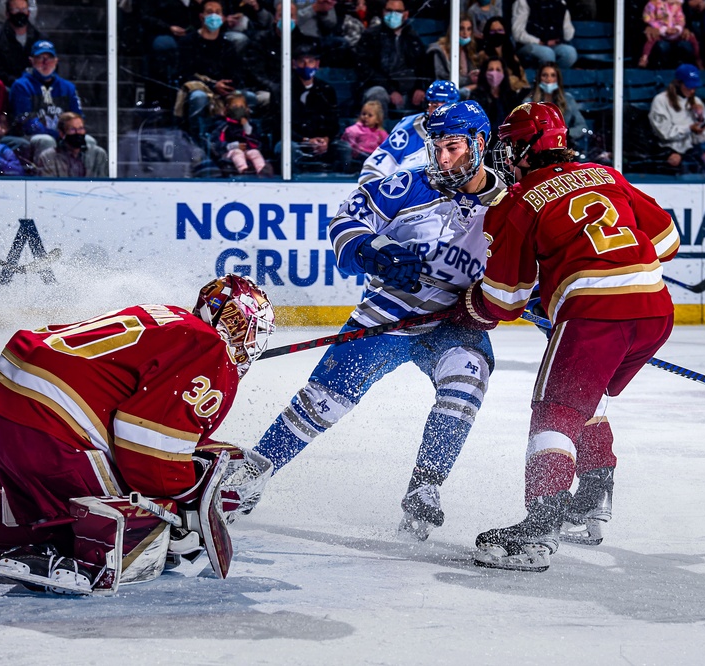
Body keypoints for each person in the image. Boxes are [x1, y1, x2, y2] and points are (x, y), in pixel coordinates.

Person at [0, 275, 277, 594]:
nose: (251, 343)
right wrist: (185, 498)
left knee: (47, 509)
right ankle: (61, 554)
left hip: (0, 408)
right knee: (144, 524)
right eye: (252, 330)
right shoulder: (210, 350)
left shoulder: (171, 319)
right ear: (234, 323)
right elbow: (149, 452)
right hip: (51, 426)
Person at [255, 101, 507, 541]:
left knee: (466, 381)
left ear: (479, 144)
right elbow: (346, 221)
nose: (442, 158)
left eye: (453, 147)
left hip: (456, 321)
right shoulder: (407, 185)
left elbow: (528, 278)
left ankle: (425, 486)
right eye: (436, 147)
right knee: (323, 401)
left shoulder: (508, 206)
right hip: (390, 309)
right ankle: (251, 476)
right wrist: (376, 252)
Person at [452, 102, 680, 572]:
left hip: (596, 314)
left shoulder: (517, 201)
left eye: (509, 145)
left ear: (523, 147)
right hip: (654, 308)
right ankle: (590, 503)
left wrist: (467, 309)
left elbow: (502, 299)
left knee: (556, 411)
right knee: (586, 398)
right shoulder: (605, 174)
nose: (505, 155)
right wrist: (563, 283)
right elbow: (666, 242)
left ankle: (539, 530)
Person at [358, 79, 461, 184]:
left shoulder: (465, 132)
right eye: (435, 106)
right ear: (427, 106)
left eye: (445, 107)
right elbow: (372, 172)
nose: (439, 112)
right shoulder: (407, 130)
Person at [176, 0, 246, 135]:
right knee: (199, 97)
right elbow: (184, 73)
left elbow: (237, 72)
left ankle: (239, 141)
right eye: (209, 12)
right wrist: (213, 85)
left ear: (224, 18)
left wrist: (228, 87)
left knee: (246, 97)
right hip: (199, 88)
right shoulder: (188, 42)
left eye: (217, 12)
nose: (213, 16)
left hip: (224, 90)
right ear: (201, 16)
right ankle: (196, 140)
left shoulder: (228, 45)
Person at [8, 40, 84, 157]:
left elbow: (78, 116)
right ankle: (45, 174)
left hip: (64, 135)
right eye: (40, 58)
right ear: (31, 61)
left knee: (89, 142)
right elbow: (26, 121)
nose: (45, 63)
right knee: (46, 141)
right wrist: (58, 135)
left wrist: (70, 134)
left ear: (56, 61)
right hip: (31, 137)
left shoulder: (68, 87)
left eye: (49, 58)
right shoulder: (21, 86)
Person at [356, 0, 431, 114]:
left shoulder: (413, 37)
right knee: (377, 94)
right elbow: (365, 69)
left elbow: (423, 66)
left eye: (398, 11)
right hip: (381, 87)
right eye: (389, 10)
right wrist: (390, 91)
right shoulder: (370, 36)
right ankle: (379, 131)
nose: (393, 14)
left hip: (410, 90)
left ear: (405, 14)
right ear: (383, 12)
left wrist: (420, 88)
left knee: (432, 97)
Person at [285, 43, 350, 173]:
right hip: (296, 140)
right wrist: (306, 140)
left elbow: (333, 122)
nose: (306, 65)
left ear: (317, 64)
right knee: (288, 148)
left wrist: (326, 139)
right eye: (302, 62)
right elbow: (278, 125)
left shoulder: (326, 90)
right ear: (294, 64)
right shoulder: (284, 88)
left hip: (321, 141)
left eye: (310, 61)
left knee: (344, 148)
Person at [649, 64, 705, 174]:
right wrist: (689, 128)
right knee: (676, 161)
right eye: (689, 86)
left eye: (694, 87)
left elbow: (703, 139)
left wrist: (701, 119)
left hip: (692, 151)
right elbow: (664, 133)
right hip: (667, 150)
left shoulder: (697, 102)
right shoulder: (660, 101)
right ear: (678, 83)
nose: (692, 91)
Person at [521, 62, 588, 152]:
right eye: (545, 75)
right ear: (539, 79)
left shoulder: (567, 99)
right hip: (537, 149)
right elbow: (523, 130)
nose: (549, 79)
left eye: (553, 75)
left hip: (562, 148)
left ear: (558, 79)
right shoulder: (528, 103)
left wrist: (565, 133)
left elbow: (582, 126)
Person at [0, 0, 47, 88]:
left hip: (34, 86)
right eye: (16, 10)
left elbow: (48, 66)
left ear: (28, 12)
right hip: (6, 86)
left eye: (24, 9)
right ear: (8, 13)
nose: (21, 13)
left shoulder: (40, 38)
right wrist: (16, 82)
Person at [36, 112, 110, 178]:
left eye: (81, 129)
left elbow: (103, 185)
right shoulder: (48, 156)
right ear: (62, 134)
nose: (78, 133)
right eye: (72, 129)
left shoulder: (98, 154)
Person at [212, 92, 270, 175]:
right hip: (228, 152)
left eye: (242, 107)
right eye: (235, 107)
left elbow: (256, 142)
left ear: (246, 109)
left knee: (254, 153)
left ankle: (262, 170)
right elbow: (217, 144)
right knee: (237, 152)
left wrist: (246, 126)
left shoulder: (251, 125)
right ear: (227, 109)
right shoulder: (223, 125)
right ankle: (243, 170)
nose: (239, 109)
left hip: (247, 151)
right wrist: (234, 146)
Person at [511, 0, 578, 70]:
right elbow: (517, 33)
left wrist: (563, 13)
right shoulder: (523, 2)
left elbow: (568, 36)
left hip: (552, 45)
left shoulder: (560, 3)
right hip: (528, 45)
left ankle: (554, 77)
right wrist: (540, 42)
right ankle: (543, 78)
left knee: (570, 53)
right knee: (547, 53)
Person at [639, 0, 701, 69]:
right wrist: (661, 28)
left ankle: (698, 59)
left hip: (675, 32)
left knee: (691, 38)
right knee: (651, 39)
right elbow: (648, 18)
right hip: (661, 31)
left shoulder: (677, 5)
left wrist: (678, 28)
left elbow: (681, 18)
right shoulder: (653, 3)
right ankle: (644, 58)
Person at [471, 58, 523, 140]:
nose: (494, 73)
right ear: (484, 73)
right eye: (491, 69)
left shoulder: (512, 96)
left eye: (498, 70)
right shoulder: (476, 96)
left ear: (503, 73)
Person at [427, 16, 480, 94]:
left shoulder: (469, 51)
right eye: (461, 29)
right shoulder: (439, 50)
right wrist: (469, 80)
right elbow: (443, 79)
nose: (465, 33)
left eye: (469, 29)